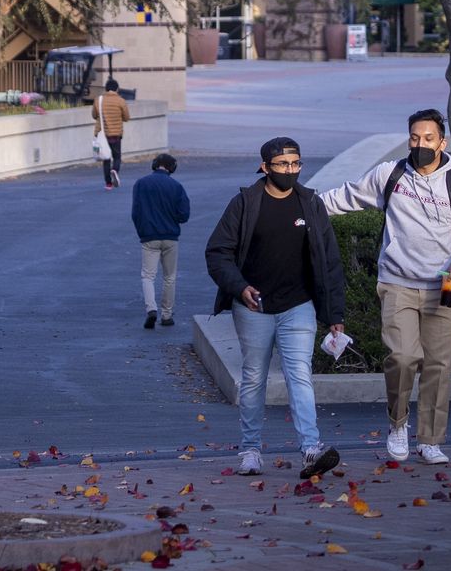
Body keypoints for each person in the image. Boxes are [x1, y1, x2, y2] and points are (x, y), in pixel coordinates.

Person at [317, 109, 451, 466]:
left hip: (443, 287)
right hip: (397, 283)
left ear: (442, 142)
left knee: (438, 365)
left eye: (429, 139)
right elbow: (347, 196)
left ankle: (430, 439)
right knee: (401, 357)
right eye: (415, 138)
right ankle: (398, 425)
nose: (421, 145)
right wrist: (304, 205)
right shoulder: (391, 174)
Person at [205, 137, 345, 479]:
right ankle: (250, 450)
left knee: (300, 374)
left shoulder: (310, 203)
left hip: (299, 306)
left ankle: (311, 449)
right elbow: (217, 252)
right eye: (283, 165)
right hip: (253, 307)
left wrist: (334, 314)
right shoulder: (245, 203)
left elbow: (329, 260)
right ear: (265, 167)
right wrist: (241, 288)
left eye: (296, 164)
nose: (290, 171)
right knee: (254, 378)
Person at [131, 153, 191, 329]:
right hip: (171, 237)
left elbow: (136, 212)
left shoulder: (141, 184)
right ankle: (167, 315)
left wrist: (143, 230)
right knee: (169, 277)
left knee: (148, 276)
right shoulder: (176, 186)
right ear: (172, 167)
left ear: (155, 165)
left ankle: (151, 309)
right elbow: (184, 215)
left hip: (149, 236)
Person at [92, 79, 131, 189]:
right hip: (116, 134)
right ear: (117, 89)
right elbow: (127, 117)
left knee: (106, 159)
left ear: (105, 89)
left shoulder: (98, 100)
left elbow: (94, 115)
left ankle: (108, 183)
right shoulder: (121, 101)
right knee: (117, 156)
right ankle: (115, 170)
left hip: (102, 135)